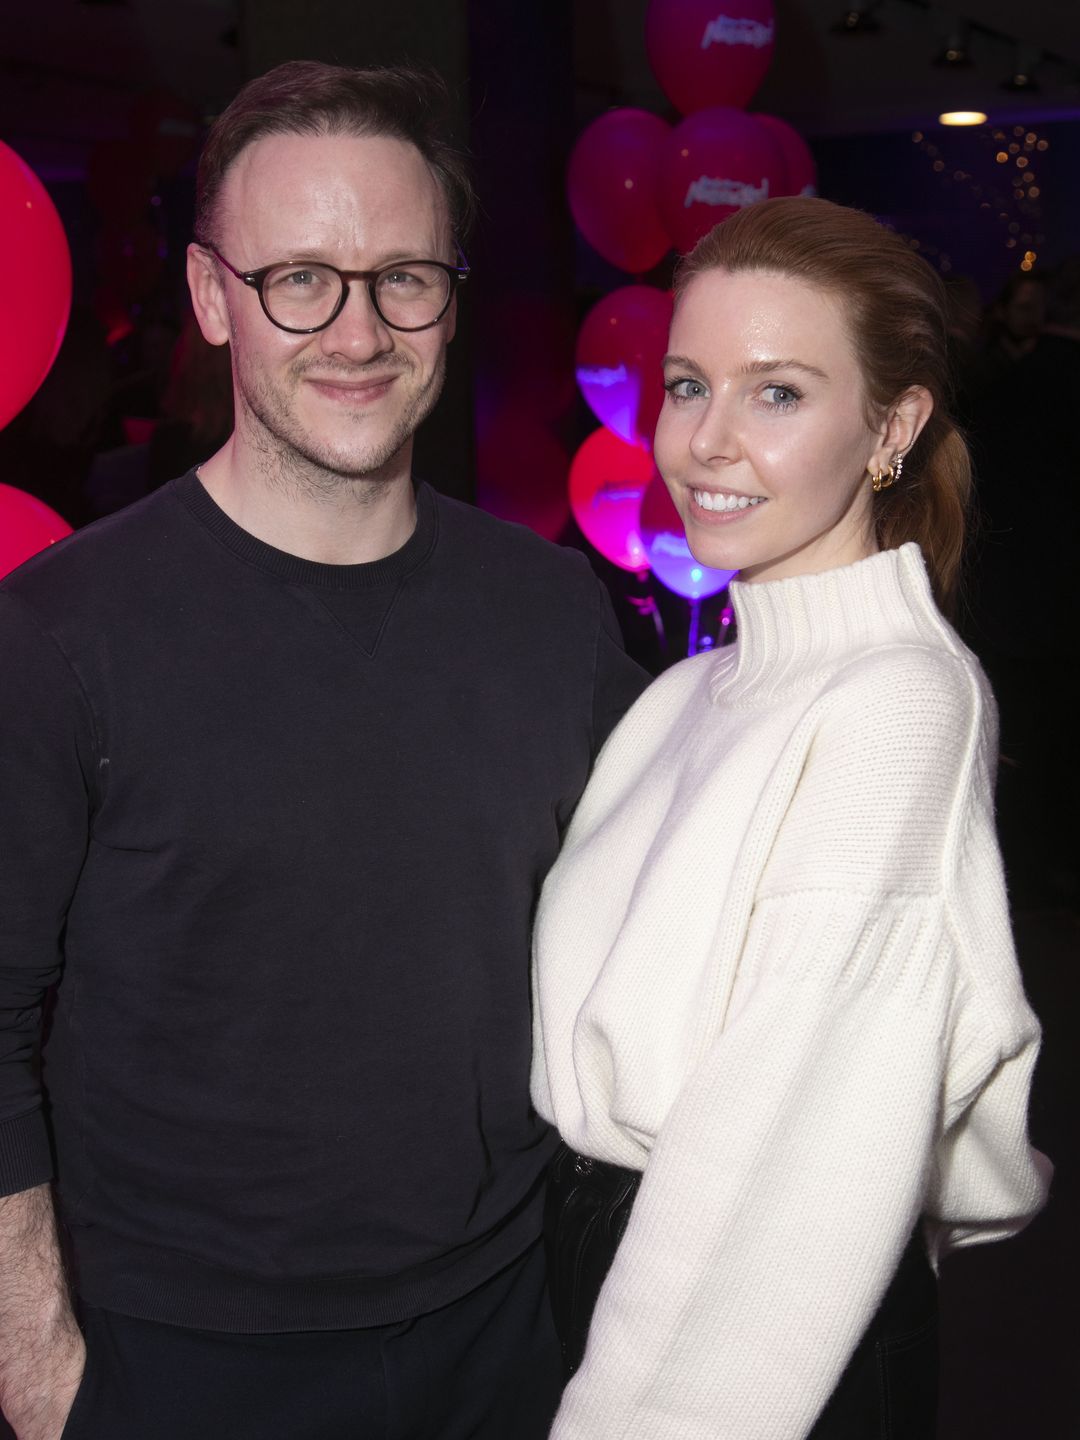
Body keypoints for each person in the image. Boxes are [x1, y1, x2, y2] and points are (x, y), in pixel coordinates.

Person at [0, 61, 646, 1440]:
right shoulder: (56, 633)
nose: (358, 328)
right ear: (209, 293)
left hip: (501, 1333)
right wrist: (45, 1376)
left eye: (404, 274)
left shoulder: (552, 615)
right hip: (179, 1356)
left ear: (452, 293)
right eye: (300, 276)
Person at [532, 196, 1050, 1440]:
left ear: (894, 426)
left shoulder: (897, 703)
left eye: (777, 394)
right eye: (685, 383)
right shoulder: (689, 688)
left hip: (745, 1336)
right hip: (621, 1272)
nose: (707, 441)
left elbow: (780, 1151)